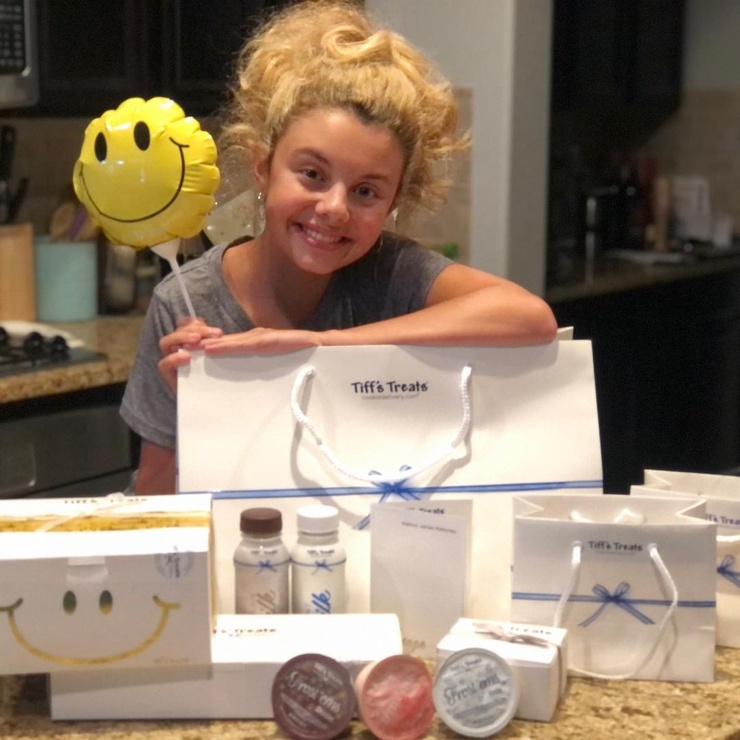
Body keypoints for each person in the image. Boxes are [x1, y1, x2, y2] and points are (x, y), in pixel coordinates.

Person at [121, 0, 558, 495]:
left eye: (366, 191)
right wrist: (197, 412)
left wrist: (321, 346)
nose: (334, 208)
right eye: (312, 173)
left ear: (394, 202)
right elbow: (152, 499)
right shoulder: (187, 302)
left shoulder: (391, 274)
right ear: (263, 168)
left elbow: (531, 317)